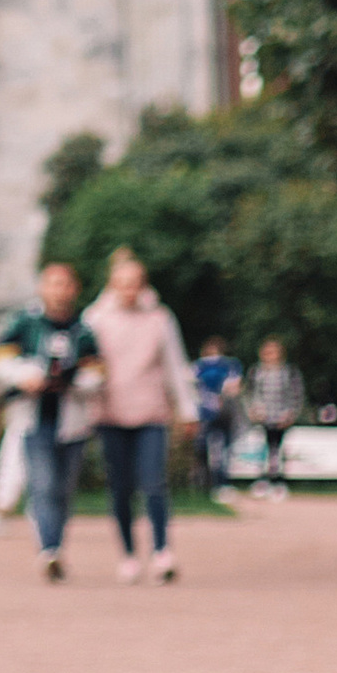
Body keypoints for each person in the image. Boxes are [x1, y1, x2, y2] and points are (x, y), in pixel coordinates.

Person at [85, 247, 196, 583]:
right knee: (120, 487)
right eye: (122, 284)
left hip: (151, 412)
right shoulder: (95, 318)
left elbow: (176, 365)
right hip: (111, 413)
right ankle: (129, 554)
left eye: (134, 283)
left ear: (143, 285)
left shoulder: (160, 318)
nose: (129, 290)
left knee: (154, 482)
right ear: (112, 284)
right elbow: (88, 366)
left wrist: (187, 408)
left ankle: (162, 551)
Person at [0, 261, 102, 581]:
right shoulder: (26, 324)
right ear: (42, 288)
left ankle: (55, 543)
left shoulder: (84, 329)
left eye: (65, 284)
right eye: (53, 283)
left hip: (72, 422)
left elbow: (97, 371)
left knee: (63, 490)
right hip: (34, 419)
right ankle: (49, 550)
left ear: (74, 289)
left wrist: (75, 382)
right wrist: (25, 376)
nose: (59, 291)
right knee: (42, 484)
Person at [245, 336, 306, 494]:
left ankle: (278, 481)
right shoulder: (256, 371)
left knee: (278, 450)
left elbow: (297, 394)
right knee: (262, 450)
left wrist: (290, 413)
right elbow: (249, 393)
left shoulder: (288, 372)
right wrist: (252, 410)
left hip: (280, 417)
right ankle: (262, 480)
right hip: (262, 417)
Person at [192, 337, 243, 496]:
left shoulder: (203, 366)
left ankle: (218, 482)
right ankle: (212, 482)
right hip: (208, 414)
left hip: (219, 414)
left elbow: (234, 387)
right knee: (211, 450)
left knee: (218, 450)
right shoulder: (228, 365)